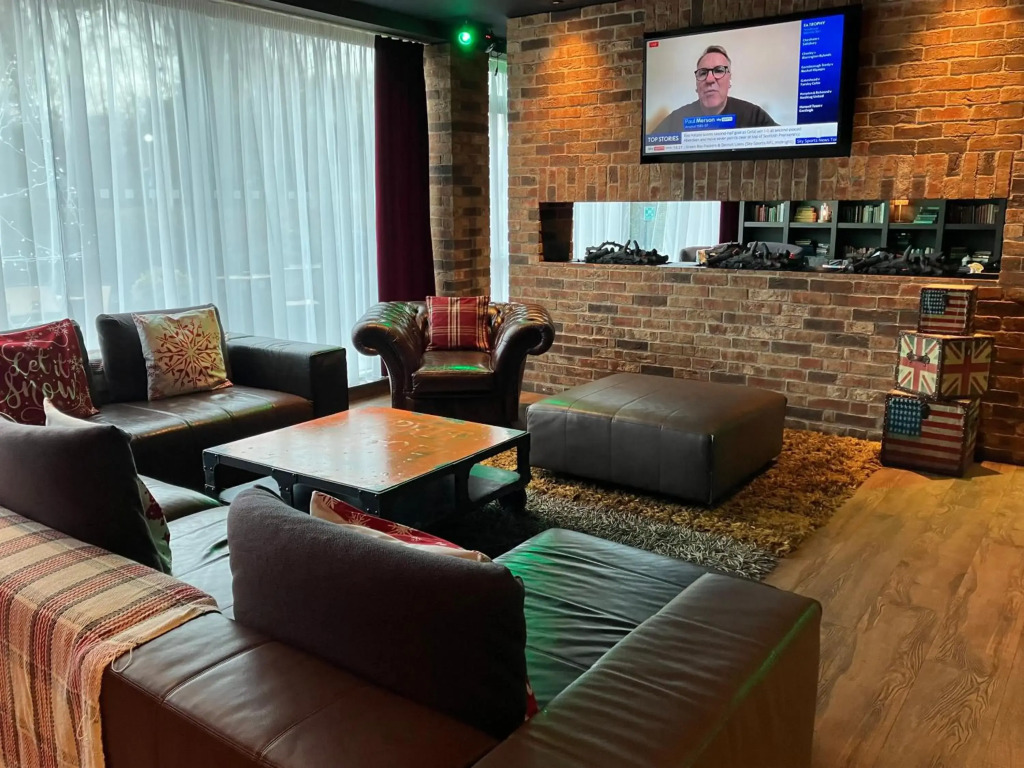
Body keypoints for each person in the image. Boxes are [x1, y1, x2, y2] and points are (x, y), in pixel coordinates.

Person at [650, 45, 777, 133]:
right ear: (696, 85)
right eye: (703, 73)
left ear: (729, 80)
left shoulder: (753, 116)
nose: (710, 79)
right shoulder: (676, 120)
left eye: (719, 70)